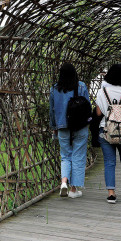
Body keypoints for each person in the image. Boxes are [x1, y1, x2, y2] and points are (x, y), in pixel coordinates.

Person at [95, 64, 121, 203]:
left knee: (109, 162)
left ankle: (111, 193)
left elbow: (98, 113)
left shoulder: (102, 92)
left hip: (106, 129)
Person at [50, 63, 89, 198]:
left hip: (62, 126)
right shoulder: (81, 86)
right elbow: (87, 106)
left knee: (65, 156)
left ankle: (63, 182)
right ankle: (73, 190)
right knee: (78, 156)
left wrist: (54, 127)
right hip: (80, 126)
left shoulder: (55, 89)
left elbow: (52, 110)